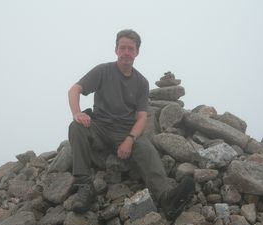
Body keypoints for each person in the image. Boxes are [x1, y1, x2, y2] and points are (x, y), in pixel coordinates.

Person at [68, 29, 195, 220]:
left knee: (146, 148)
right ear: (116, 50)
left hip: (125, 130)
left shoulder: (141, 82)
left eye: (131, 48)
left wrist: (129, 139)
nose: (126, 52)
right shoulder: (103, 70)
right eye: (122, 48)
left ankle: (166, 197)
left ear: (137, 52)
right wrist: (77, 113)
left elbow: (142, 117)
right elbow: (75, 89)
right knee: (76, 127)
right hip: (100, 127)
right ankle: (85, 187)